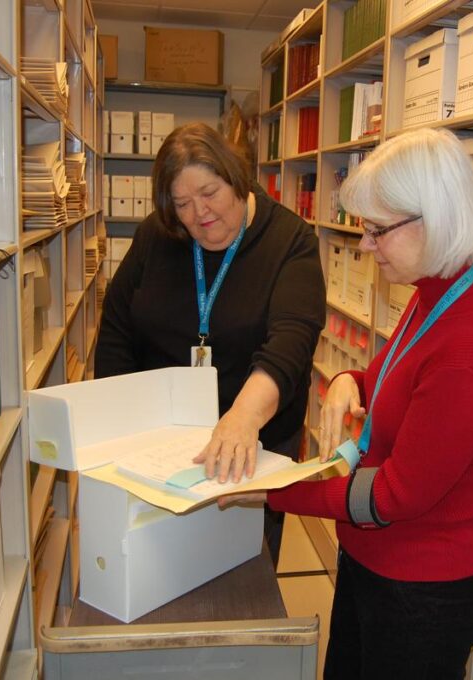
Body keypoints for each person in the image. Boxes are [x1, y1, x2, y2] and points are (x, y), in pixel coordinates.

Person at [222, 127, 473, 679]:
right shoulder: (435, 295)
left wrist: (273, 491)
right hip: (378, 566)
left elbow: (393, 495)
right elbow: (398, 382)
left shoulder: (470, 344)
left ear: (433, 219)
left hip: (422, 589)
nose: (364, 246)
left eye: (378, 231)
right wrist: (349, 380)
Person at [95, 122, 325, 566]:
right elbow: (117, 327)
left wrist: (242, 418)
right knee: (157, 571)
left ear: (236, 177)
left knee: (241, 581)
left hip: (250, 452)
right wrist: (113, 419)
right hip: (158, 450)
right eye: (182, 204)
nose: (199, 213)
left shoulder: (290, 242)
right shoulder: (156, 237)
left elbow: (290, 345)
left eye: (210, 192)